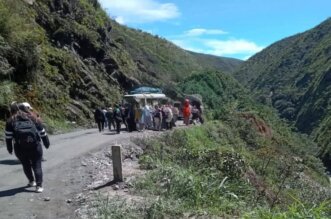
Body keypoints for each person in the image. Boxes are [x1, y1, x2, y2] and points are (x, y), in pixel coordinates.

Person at [5, 102, 50, 193]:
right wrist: (46, 143)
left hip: (20, 148)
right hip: (35, 146)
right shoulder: (33, 118)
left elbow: (8, 137)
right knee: (37, 165)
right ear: (25, 109)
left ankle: (31, 181)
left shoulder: (10, 121)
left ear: (12, 110)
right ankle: (39, 186)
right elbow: (42, 132)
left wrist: (10, 149)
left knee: (26, 165)